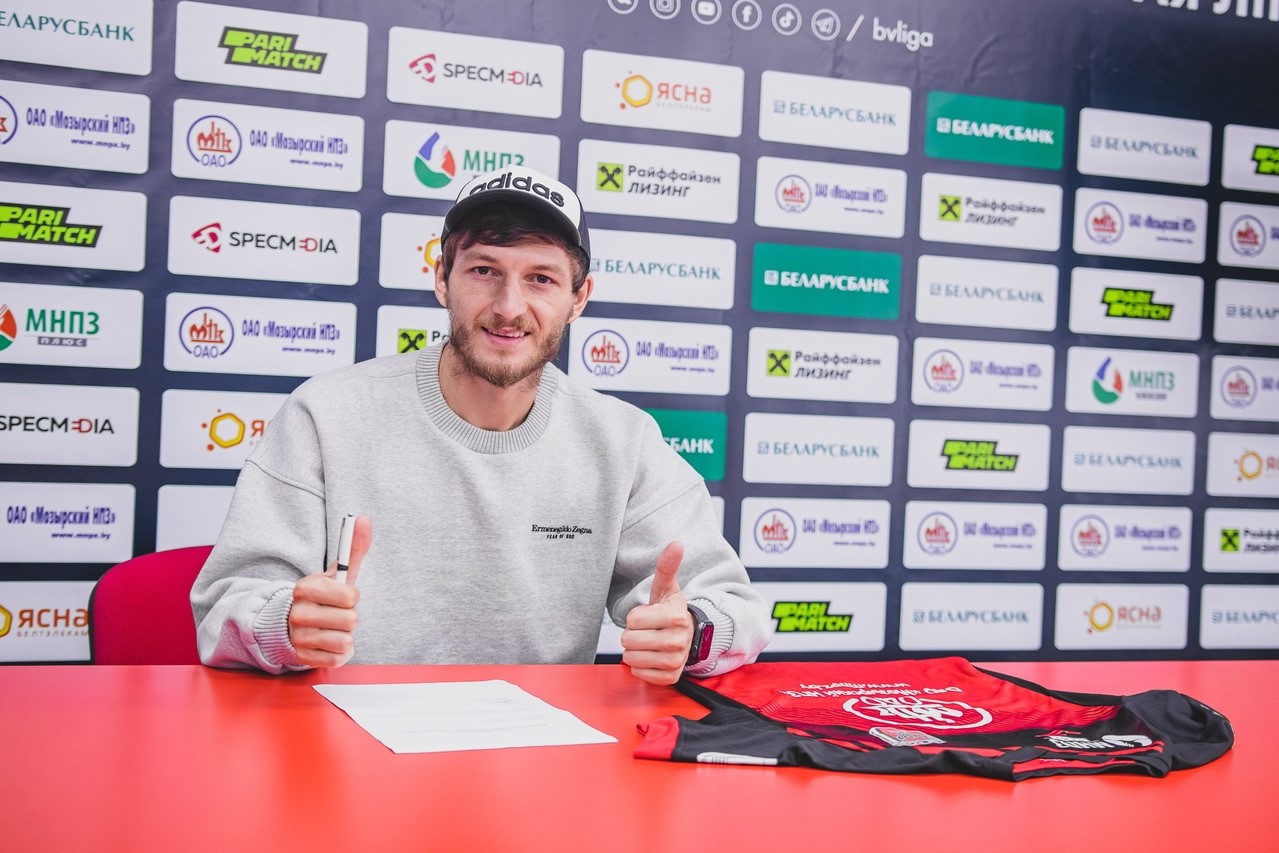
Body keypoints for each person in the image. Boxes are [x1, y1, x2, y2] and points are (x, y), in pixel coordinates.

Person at [190, 165, 770, 684]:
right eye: (485, 270)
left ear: (579, 297)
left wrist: (691, 632)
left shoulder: (623, 440)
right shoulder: (326, 414)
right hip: (344, 745)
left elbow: (736, 610)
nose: (509, 307)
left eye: (541, 278)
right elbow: (225, 608)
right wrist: (286, 624)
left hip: (540, 750)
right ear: (442, 278)